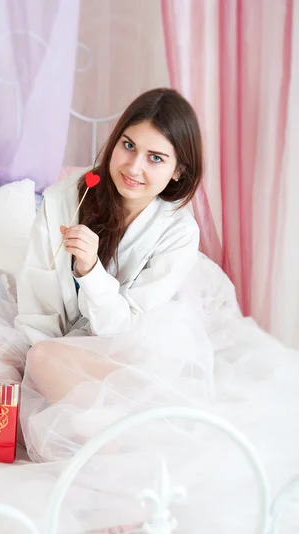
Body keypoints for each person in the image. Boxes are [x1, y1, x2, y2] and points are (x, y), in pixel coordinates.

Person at [15, 88, 204, 407]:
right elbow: (37, 302)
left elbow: (120, 330)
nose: (132, 167)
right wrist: (34, 368)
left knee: (45, 359)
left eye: (155, 158)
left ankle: (108, 447)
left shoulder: (178, 234)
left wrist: (90, 272)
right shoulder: (63, 200)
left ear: (178, 171)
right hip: (50, 347)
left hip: (127, 355)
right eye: (128, 145)